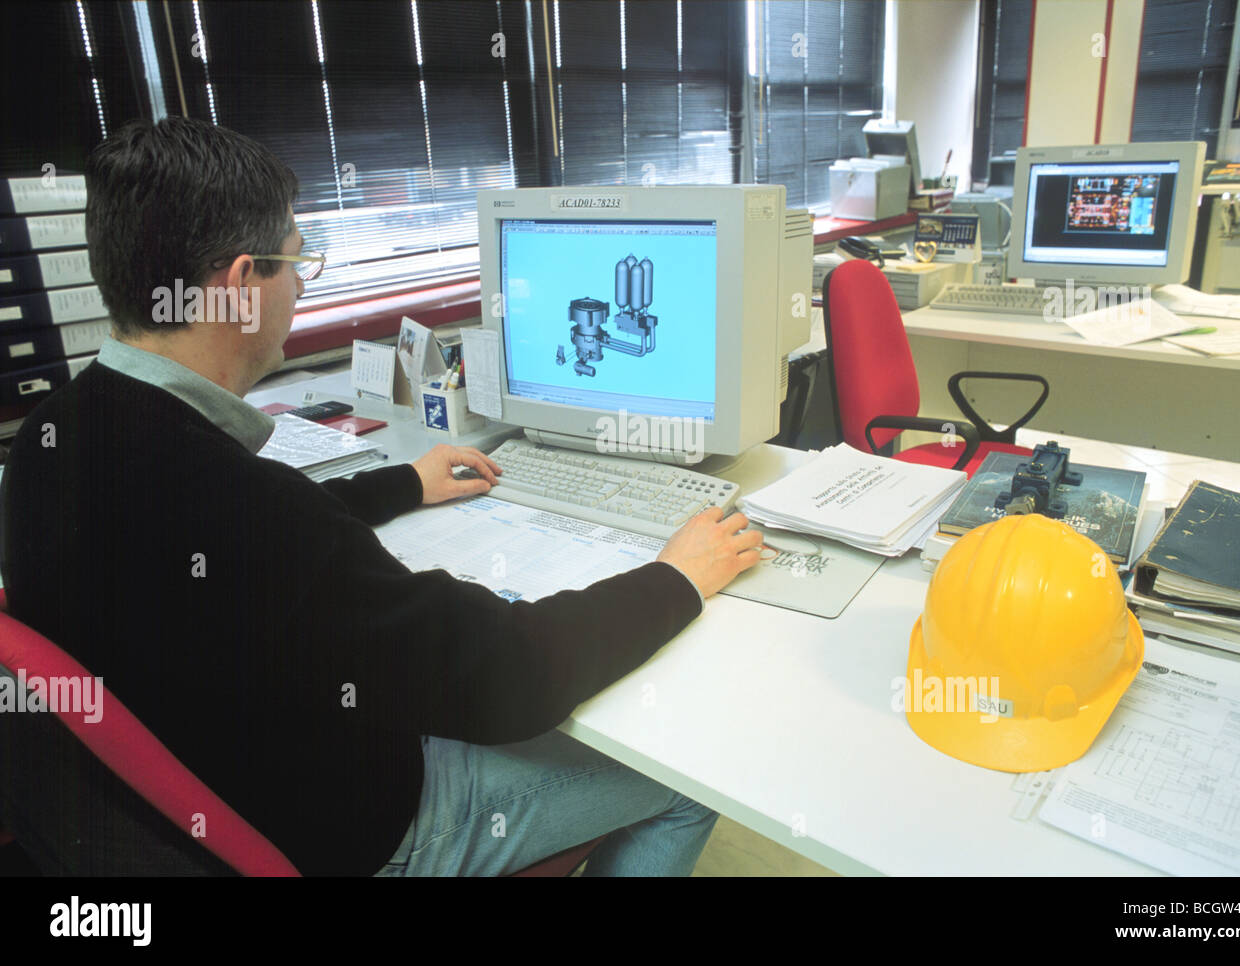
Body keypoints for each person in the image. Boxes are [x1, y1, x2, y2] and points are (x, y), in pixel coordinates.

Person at [0, 117, 763, 876]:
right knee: (686, 782)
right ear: (239, 286)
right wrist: (676, 578)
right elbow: (507, 680)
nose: (301, 285)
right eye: (296, 263)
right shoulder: (250, 510)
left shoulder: (53, 439)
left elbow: (235, 538)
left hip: (209, 797)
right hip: (360, 831)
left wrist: (401, 482)